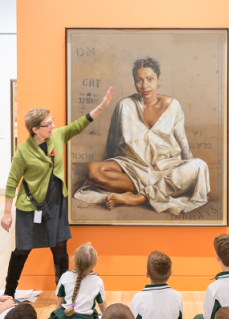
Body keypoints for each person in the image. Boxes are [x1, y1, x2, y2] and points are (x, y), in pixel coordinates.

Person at [1, 87, 113, 298]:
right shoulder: (23, 151)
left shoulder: (58, 136)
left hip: (55, 204)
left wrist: (102, 106)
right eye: (48, 124)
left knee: (60, 248)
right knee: (22, 249)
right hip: (30, 207)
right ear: (35, 129)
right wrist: (7, 213)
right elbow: (12, 182)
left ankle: (64, 293)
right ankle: (8, 293)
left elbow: (79, 124)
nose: (53, 126)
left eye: (52, 122)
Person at [74, 57, 210, 215]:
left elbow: (183, 143)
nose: (145, 85)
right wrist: (110, 170)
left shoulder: (173, 106)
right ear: (134, 82)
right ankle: (158, 188)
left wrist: (188, 171)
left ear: (158, 80)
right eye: (139, 80)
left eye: (150, 79)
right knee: (91, 171)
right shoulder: (124, 106)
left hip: (166, 169)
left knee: (199, 165)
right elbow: (112, 144)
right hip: (133, 167)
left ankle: (139, 197)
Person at [37, 243, 107, 319]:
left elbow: (60, 302)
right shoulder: (98, 281)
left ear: (74, 260)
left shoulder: (65, 276)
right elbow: (103, 305)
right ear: (94, 263)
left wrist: (56, 318)